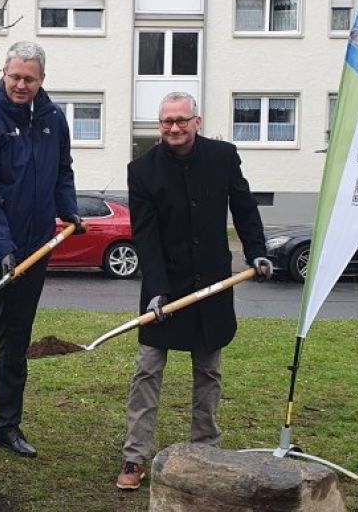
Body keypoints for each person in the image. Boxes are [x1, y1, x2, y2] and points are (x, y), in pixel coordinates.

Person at [116, 92, 273, 490]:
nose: (174, 128)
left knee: (209, 371)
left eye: (181, 120)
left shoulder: (223, 157)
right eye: (167, 121)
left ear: (196, 122)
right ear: (159, 125)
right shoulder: (143, 170)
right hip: (162, 287)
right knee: (147, 369)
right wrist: (156, 290)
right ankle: (135, 457)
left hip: (212, 284)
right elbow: (145, 235)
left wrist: (256, 252)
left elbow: (244, 207)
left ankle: (206, 448)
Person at [0, 41, 83, 468]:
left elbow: (63, 170)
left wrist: (70, 209)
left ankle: (8, 426)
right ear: (4, 74)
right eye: (14, 77)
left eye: (29, 78)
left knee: (16, 341)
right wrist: (3, 248)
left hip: (34, 248)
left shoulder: (53, 120)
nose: (20, 85)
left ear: (42, 80)